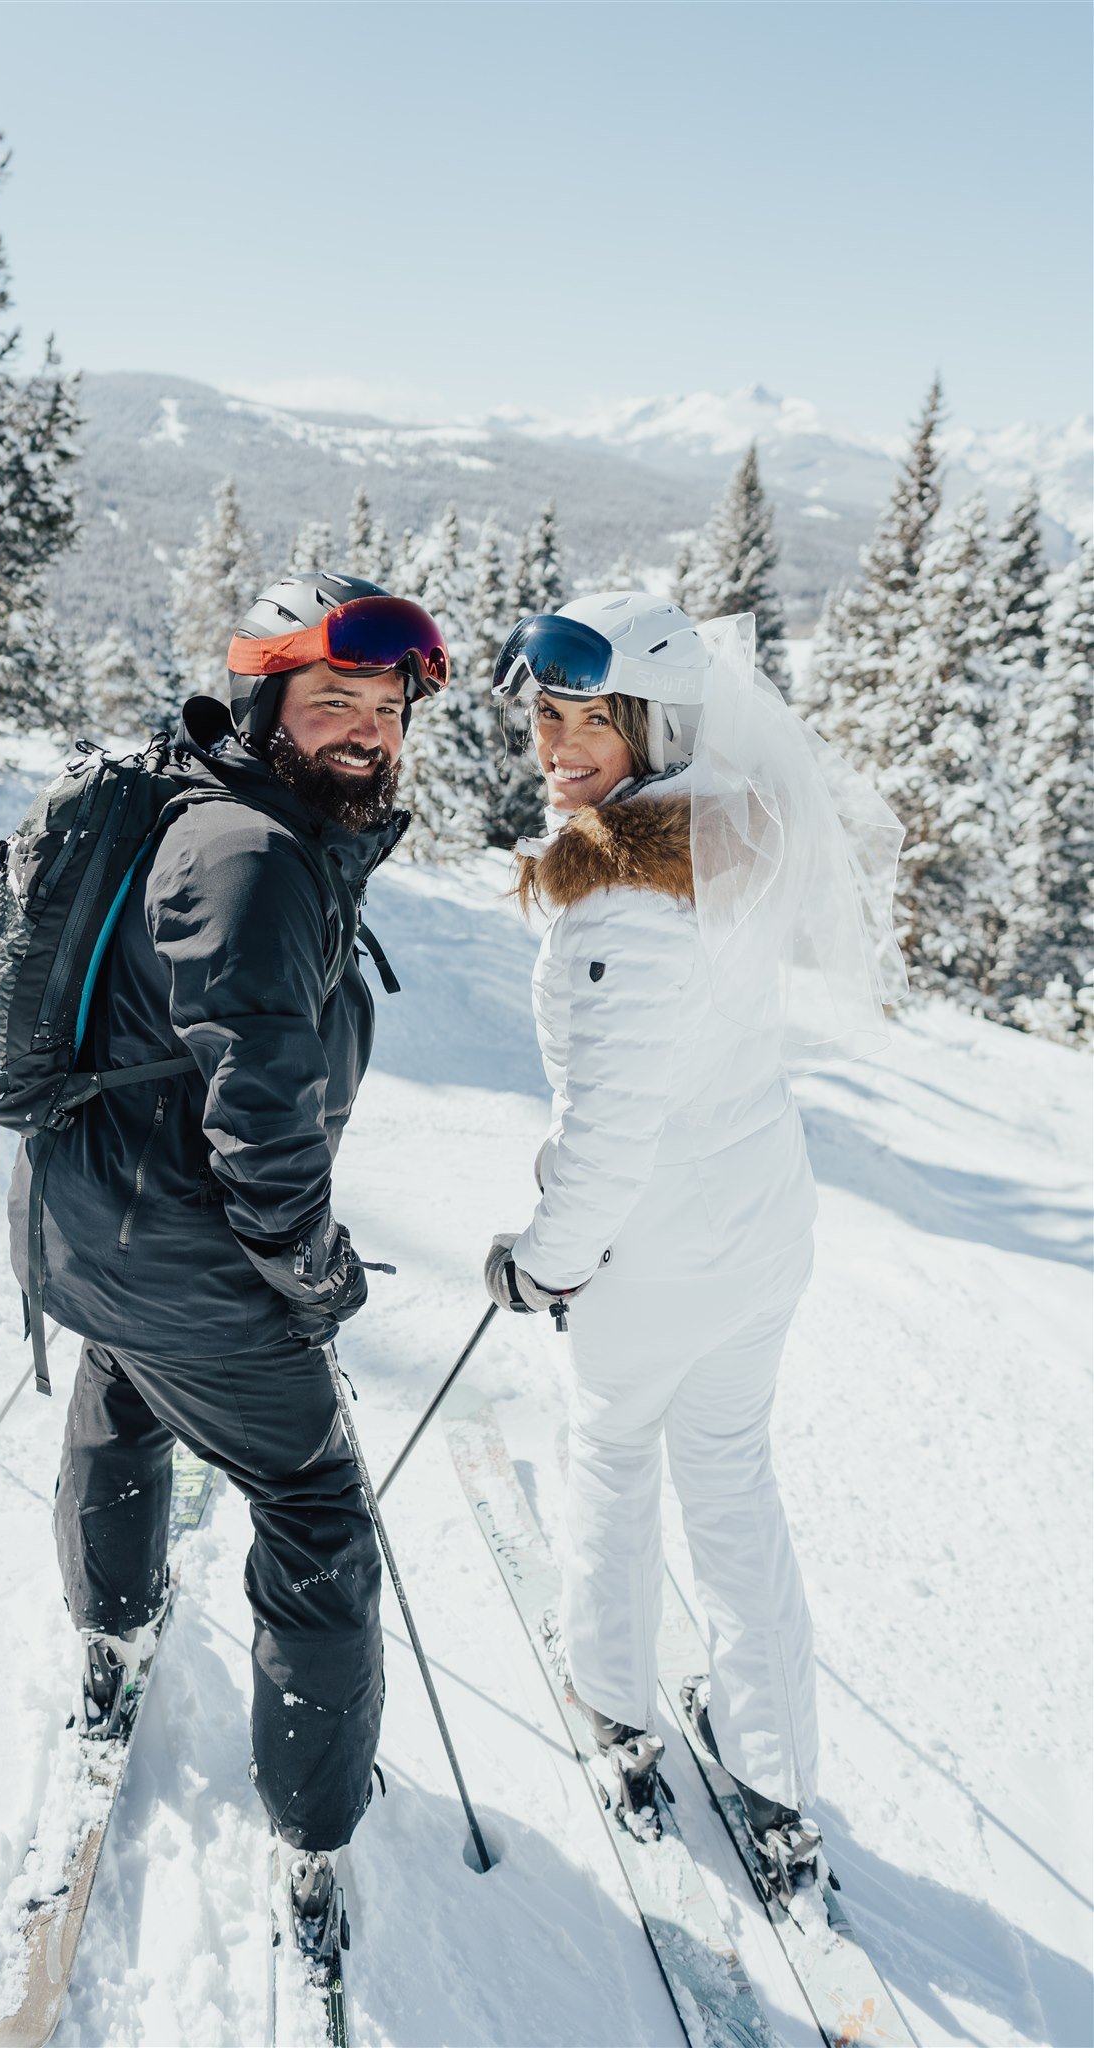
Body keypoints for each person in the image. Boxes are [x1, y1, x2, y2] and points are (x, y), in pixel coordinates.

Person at [7, 570, 448, 1972]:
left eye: (385, 708)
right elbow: (262, 1120)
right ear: (262, 706)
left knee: (125, 1393)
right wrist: (307, 1272)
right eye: (333, 701)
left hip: (91, 1230)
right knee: (314, 1507)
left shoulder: (199, 813)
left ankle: (109, 1634)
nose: (367, 731)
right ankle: (313, 1828)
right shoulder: (250, 857)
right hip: (187, 1255)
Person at [482, 593, 904, 1893]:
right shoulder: (733, 831)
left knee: (612, 1458)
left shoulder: (618, 900)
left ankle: (614, 1704)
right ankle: (774, 1774)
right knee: (731, 1481)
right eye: (544, 715)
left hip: (651, 1260)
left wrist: (544, 1258)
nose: (554, 743)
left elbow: (610, 1129)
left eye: (586, 721)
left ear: (653, 725)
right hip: (760, 1229)